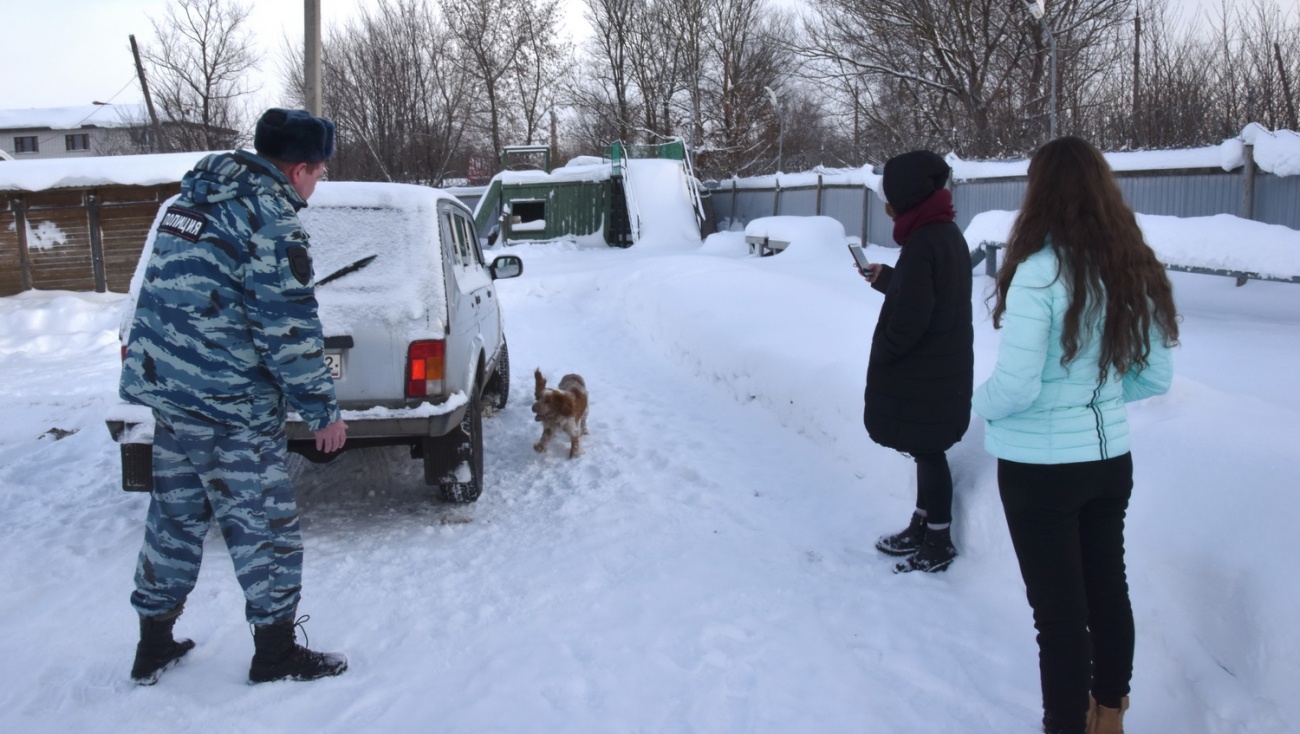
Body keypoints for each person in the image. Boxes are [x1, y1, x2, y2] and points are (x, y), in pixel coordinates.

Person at [120, 108, 350, 686]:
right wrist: (322, 410)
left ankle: (154, 643)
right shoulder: (270, 220)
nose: (316, 185)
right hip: (230, 405)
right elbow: (289, 329)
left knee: (174, 518)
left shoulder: (189, 202)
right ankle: (274, 656)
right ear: (298, 169)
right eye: (318, 173)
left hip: (173, 394)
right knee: (264, 526)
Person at [972, 136, 1179, 734]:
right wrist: (1100, 398)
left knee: (1059, 618)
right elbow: (1154, 375)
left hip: (1041, 472)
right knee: (1107, 592)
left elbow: (1016, 389)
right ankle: (1107, 716)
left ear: (1038, 194)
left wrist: (976, 404)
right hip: (1109, 461)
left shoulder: (1039, 271)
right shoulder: (1131, 263)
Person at [859, 150, 974, 574]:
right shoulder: (941, 233)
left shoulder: (926, 241)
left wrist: (883, 351)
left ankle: (938, 540)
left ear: (905, 198)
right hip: (940, 367)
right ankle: (923, 524)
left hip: (929, 369)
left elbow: (911, 319)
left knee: (930, 453)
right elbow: (924, 295)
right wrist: (888, 278)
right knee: (927, 451)